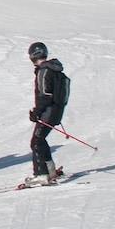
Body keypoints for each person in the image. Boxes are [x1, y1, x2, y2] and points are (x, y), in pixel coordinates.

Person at [27, 41, 69, 184]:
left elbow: (45, 95)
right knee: (40, 140)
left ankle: (41, 174)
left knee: (36, 142)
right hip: (56, 111)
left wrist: (36, 112)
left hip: (48, 112)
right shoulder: (54, 69)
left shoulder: (44, 71)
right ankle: (50, 171)